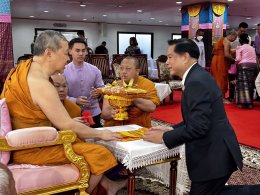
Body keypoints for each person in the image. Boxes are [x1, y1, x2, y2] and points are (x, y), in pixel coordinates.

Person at [0, 30, 127, 195]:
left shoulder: (22, 69)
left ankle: (107, 185)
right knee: (100, 153)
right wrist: (102, 135)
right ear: (49, 53)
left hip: (23, 141)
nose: (68, 58)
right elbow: (66, 124)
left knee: (80, 139)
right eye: (66, 53)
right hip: (32, 148)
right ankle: (83, 191)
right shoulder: (41, 84)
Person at [143, 38, 243, 195]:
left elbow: (198, 127)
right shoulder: (197, 76)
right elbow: (198, 119)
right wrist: (171, 128)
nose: (166, 62)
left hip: (214, 157)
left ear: (184, 57)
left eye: (170, 57)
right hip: (217, 152)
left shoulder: (196, 81)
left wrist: (165, 137)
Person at [101, 56, 160, 128]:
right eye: (121, 68)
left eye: (128, 69)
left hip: (138, 127)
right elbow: (104, 114)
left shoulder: (147, 84)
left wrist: (131, 96)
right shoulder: (114, 86)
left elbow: (151, 107)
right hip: (115, 127)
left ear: (137, 71)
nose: (123, 72)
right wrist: (111, 113)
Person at [64, 38, 104, 128]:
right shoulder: (64, 71)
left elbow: (102, 88)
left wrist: (98, 92)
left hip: (94, 112)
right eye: (77, 50)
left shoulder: (94, 70)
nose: (81, 54)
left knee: (97, 139)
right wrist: (75, 100)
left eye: (83, 50)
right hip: (73, 113)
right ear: (70, 51)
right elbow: (60, 95)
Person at [211, 29, 237, 104]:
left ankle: (216, 97)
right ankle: (222, 98)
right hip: (220, 61)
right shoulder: (227, 41)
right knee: (221, 79)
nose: (234, 40)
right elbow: (226, 54)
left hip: (215, 60)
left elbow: (219, 51)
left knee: (216, 79)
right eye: (235, 38)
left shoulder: (221, 39)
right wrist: (234, 60)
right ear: (232, 35)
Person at [229, 22, 251, 102]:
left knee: (240, 80)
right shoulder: (233, 37)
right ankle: (231, 97)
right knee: (231, 79)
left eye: (244, 31)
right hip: (232, 61)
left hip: (242, 63)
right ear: (239, 28)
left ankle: (239, 97)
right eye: (241, 31)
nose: (243, 33)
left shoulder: (248, 38)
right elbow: (228, 49)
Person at [235, 33, 258, 108]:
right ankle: (250, 104)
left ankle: (242, 103)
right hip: (253, 66)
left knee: (243, 85)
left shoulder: (239, 48)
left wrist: (234, 61)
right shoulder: (252, 48)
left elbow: (238, 59)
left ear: (240, 40)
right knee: (250, 84)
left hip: (244, 66)